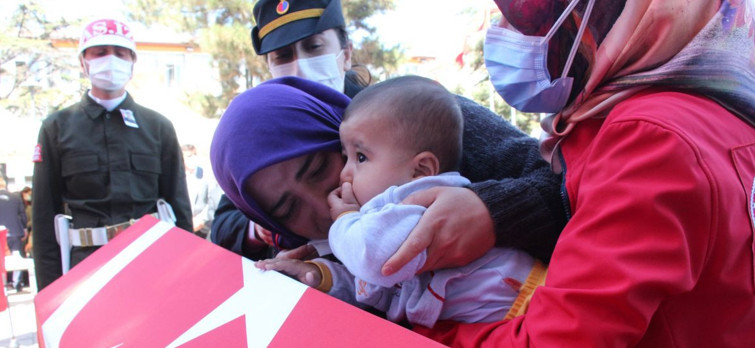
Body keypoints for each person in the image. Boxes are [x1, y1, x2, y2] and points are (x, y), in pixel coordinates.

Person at [410, 0, 755, 348]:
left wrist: (404, 335)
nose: (507, 33)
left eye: (530, 17)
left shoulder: (650, 138)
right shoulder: (731, 114)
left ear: (599, 17)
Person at [210, 0, 566, 266]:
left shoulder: (414, 113)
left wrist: (490, 211)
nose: (324, 204)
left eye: (319, 169)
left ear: (345, 52)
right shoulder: (262, 172)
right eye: (287, 209)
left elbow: (564, 183)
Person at [257, 76, 546, 327]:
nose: (346, 174)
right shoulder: (378, 217)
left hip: (526, 306)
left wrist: (345, 220)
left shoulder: (410, 198)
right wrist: (323, 275)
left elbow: (372, 261)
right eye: (288, 209)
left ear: (420, 169)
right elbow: (384, 290)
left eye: (359, 158)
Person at [31, 18, 192, 290]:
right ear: (83, 62)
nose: (111, 60)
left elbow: (180, 209)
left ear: (132, 62)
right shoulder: (56, 128)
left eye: (120, 53)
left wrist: (187, 277)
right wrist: (50, 293)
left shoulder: (158, 127)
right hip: (86, 272)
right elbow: (44, 217)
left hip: (152, 265)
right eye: (100, 52)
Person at [0, 176, 28, 291]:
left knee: (0, 258)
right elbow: (22, 214)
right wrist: (24, 228)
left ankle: (3, 282)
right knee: (17, 257)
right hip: (15, 231)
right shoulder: (15, 197)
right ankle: (16, 282)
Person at [182, 144, 221, 238]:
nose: (193, 159)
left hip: (199, 226)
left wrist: (201, 221)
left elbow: (213, 201)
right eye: (189, 156)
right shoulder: (177, 176)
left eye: (195, 155)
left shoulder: (206, 175)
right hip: (180, 222)